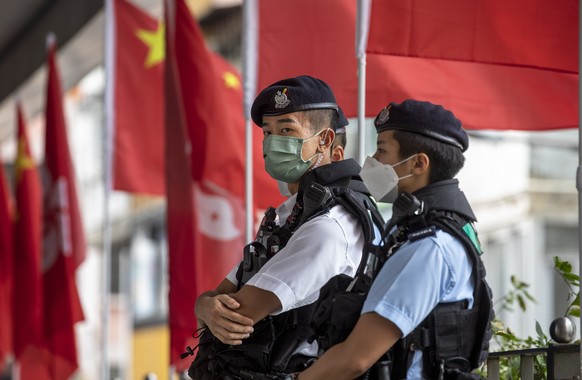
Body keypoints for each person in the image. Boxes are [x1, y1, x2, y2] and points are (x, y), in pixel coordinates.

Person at [188, 75, 383, 379]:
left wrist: (209, 309)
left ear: (326, 140)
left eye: (287, 130)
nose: (273, 142)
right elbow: (213, 299)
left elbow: (237, 315)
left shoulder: (328, 227)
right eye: (268, 132)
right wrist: (205, 307)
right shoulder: (290, 218)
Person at [298, 100, 492, 379]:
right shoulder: (420, 231)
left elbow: (356, 357)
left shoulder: (430, 247)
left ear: (418, 164)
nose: (373, 160)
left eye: (382, 150)